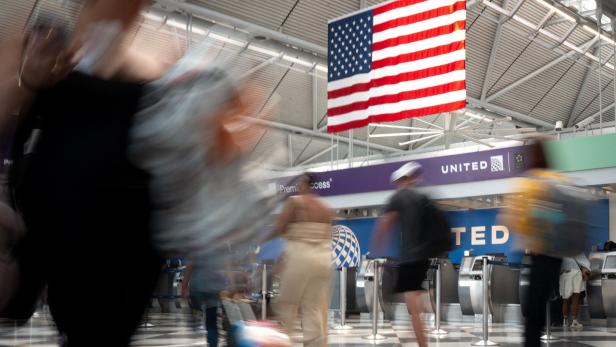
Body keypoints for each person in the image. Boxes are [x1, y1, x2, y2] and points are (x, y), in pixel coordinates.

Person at [501, 140, 566, 347]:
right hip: (557, 254)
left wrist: (526, 232)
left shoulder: (528, 183)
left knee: (533, 310)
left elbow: (509, 219)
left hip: (538, 253)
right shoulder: (558, 180)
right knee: (548, 298)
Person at [372, 162, 431, 347]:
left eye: (398, 180)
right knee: (412, 302)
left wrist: (377, 249)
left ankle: (423, 343)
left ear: (403, 179)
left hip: (410, 258)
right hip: (423, 257)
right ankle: (411, 335)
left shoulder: (398, 197)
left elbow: (385, 223)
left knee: (413, 308)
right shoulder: (422, 198)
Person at [274, 173, 333, 347]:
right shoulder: (325, 208)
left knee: (287, 305)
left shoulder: (296, 202)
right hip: (323, 259)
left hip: (300, 256)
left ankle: (283, 343)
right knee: (313, 308)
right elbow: (329, 234)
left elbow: (279, 227)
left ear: (303, 184)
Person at [182, 260, 226, 347]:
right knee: (211, 319)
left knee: (209, 316)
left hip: (200, 287)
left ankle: (196, 313)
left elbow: (189, 266)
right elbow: (226, 265)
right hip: (211, 287)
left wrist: (184, 286)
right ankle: (212, 343)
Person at [560, 253, 591, 329]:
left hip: (563, 273)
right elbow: (585, 262)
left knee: (565, 298)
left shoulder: (559, 247)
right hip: (575, 272)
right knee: (575, 298)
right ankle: (574, 321)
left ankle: (565, 321)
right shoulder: (574, 245)